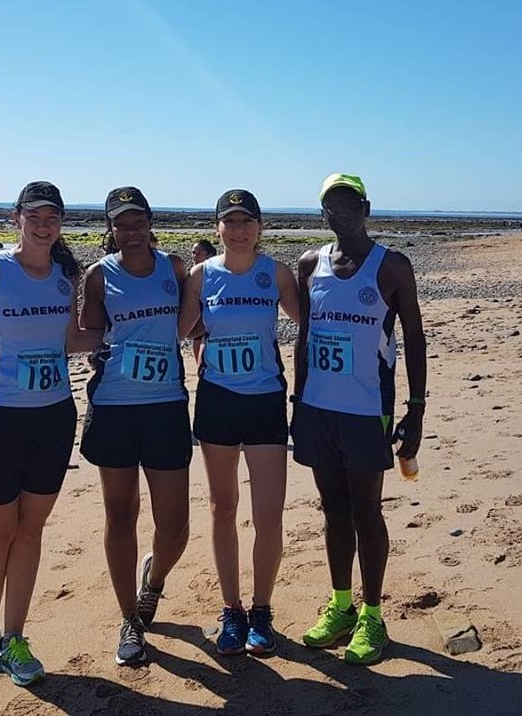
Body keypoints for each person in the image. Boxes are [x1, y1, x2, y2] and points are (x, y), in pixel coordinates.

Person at [0, 181, 101, 686]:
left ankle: (14, 637)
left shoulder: (65, 277)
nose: (43, 225)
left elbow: (71, 340)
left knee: (31, 529)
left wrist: (133, 329)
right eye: (34, 216)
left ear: (61, 223)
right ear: (17, 219)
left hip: (53, 419)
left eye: (52, 217)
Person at [292, 173, 426, 665]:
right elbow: (304, 338)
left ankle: (373, 615)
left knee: (367, 511)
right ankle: (342, 605)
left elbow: (414, 337)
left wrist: (416, 409)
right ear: (322, 213)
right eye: (332, 206)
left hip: (368, 411)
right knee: (333, 509)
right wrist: (297, 403)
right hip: (318, 409)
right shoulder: (311, 264)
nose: (341, 213)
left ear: (366, 209)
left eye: (350, 204)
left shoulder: (392, 266)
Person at [179, 189, 300, 656]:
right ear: (217, 229)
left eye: (247, 221)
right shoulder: (201, 276)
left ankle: (262, 610)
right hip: (217, 401)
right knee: (223, 507)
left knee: (268, 514)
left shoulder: (277, 273)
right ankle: (231, 609)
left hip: (265, 399)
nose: (238, 230)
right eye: (229, 222)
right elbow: (176, 330)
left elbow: (314, 323)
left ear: (260, 227)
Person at [80, 186, 192, 666]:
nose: (130, 231)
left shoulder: (175, 269)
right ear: (111, 228)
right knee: (121, 514)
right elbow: (88, 334)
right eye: (120, 224)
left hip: (166, 406)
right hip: (114, 406)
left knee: (175, 525)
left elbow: (193, 324)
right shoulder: (99, 276)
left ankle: (155, 581)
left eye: (137, 221)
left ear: (150, 222)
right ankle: (129, 618)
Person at [189, 239, 217, 363]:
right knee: (196, 339)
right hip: (196, 314)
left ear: (209, 255)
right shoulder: (193, 273)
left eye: (199, 253)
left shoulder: (216, 272)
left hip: (211, 314)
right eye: (193, 253)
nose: (194, 256)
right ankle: (198, 366)